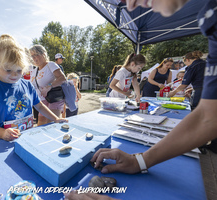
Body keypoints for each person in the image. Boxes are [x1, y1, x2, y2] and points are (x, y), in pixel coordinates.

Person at [64, 0, 217, 199]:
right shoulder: (210, 15)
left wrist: (136, 94)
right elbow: (208, 116)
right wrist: (141, 161)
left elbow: (207, 116)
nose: (130, 5)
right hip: (115, 102)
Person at [0, 34, 67, 141]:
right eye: (8, 70)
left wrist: (56, 119)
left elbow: (39, 106)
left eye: (19, 70)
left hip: (26, 139)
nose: (15, 75)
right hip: (0, 143)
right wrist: (2, 133)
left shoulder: (27, 85)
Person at [29, 45, 67, 126]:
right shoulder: (34, 70)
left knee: (52, 125)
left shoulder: (51, 65)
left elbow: (63, 78)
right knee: (40, 125)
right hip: (41, 101)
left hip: (54, 99)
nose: (34, 58)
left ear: (43, 54)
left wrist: (49, 86)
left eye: (36, 55)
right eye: (32, 56)